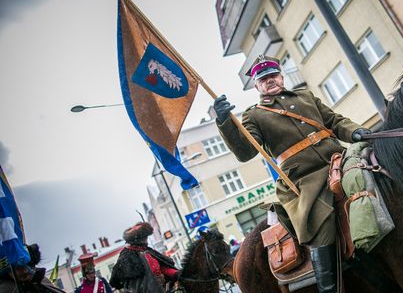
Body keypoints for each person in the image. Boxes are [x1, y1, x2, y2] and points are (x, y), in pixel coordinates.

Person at [213, 55, 370, 293]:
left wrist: (357, 131)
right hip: (303, 179)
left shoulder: (305, 96)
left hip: (338, 159)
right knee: (320, 218)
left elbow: (334, 121)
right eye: (263, 79)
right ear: (257, 86)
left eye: (273, 75)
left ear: (281, 76)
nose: (270, 81)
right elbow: (245, 152)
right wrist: (225, 122)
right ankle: (330, 287)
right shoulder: (254, 115)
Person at [109, 222, 181, 293]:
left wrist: (177, 274)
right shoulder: (126, 256)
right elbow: (116, 281)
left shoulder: (148, 252)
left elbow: (164, 268)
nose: (146, 241)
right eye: (144, 238)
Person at [0, 244, 66, 293]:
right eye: (18, 268)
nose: (25, 271)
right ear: (7, 271)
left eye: (28, 264)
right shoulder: (6, 289)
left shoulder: (42, 280)